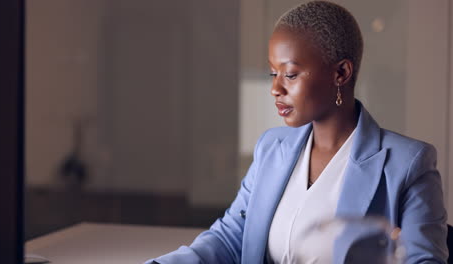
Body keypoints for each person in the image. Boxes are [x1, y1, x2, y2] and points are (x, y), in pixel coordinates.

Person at [146, 1, 448, 263]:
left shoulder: (408, 165)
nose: (275, 88)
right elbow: (229, 239)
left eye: (290, 74)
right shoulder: (271, 147)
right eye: (273, 73)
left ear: (340, 73)